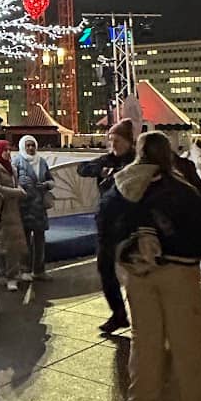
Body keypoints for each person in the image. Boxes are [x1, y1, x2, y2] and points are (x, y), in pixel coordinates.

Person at [99, 131, 201, 401]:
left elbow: (104, 226)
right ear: (167, 155)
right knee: (186, 342)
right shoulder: (182, 189)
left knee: (145, 338)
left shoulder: (120, 185)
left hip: (139, 273)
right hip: (180, 270)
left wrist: (116, 262)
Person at [78, 119, 136, 335]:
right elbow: (82, 168)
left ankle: (140, 313)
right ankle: (118, 313)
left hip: (129, 222)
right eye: (110, 140)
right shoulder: (107, 160)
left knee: (134, 270)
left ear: (128, 142)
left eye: (117, 141)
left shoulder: (135, 162)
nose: (113, 145)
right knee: (105, 267)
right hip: (107, 223)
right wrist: (101, 170)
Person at [13, 135, 55, 282]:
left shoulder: (42, 162)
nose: (31, 148)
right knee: (24, 240)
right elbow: (12, 182)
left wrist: (46, 185)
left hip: (39, 208)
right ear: (22, 146)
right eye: (28, 145)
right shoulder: (17, 161)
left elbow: (51, 180)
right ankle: (24, 270)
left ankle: (39, 270)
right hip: (24, 207)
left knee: (39, 240)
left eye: (33, 145)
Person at [0, 137, 28, 289]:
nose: (7, 152)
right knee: (2, 246)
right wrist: (17, 192)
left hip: (13, 210)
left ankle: (12, 275)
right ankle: (2, 275)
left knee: (13, 246)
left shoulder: (12, 167)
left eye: (9, 149)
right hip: (2, 209)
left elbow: (15, 183)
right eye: (4, 150)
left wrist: (18, 190)